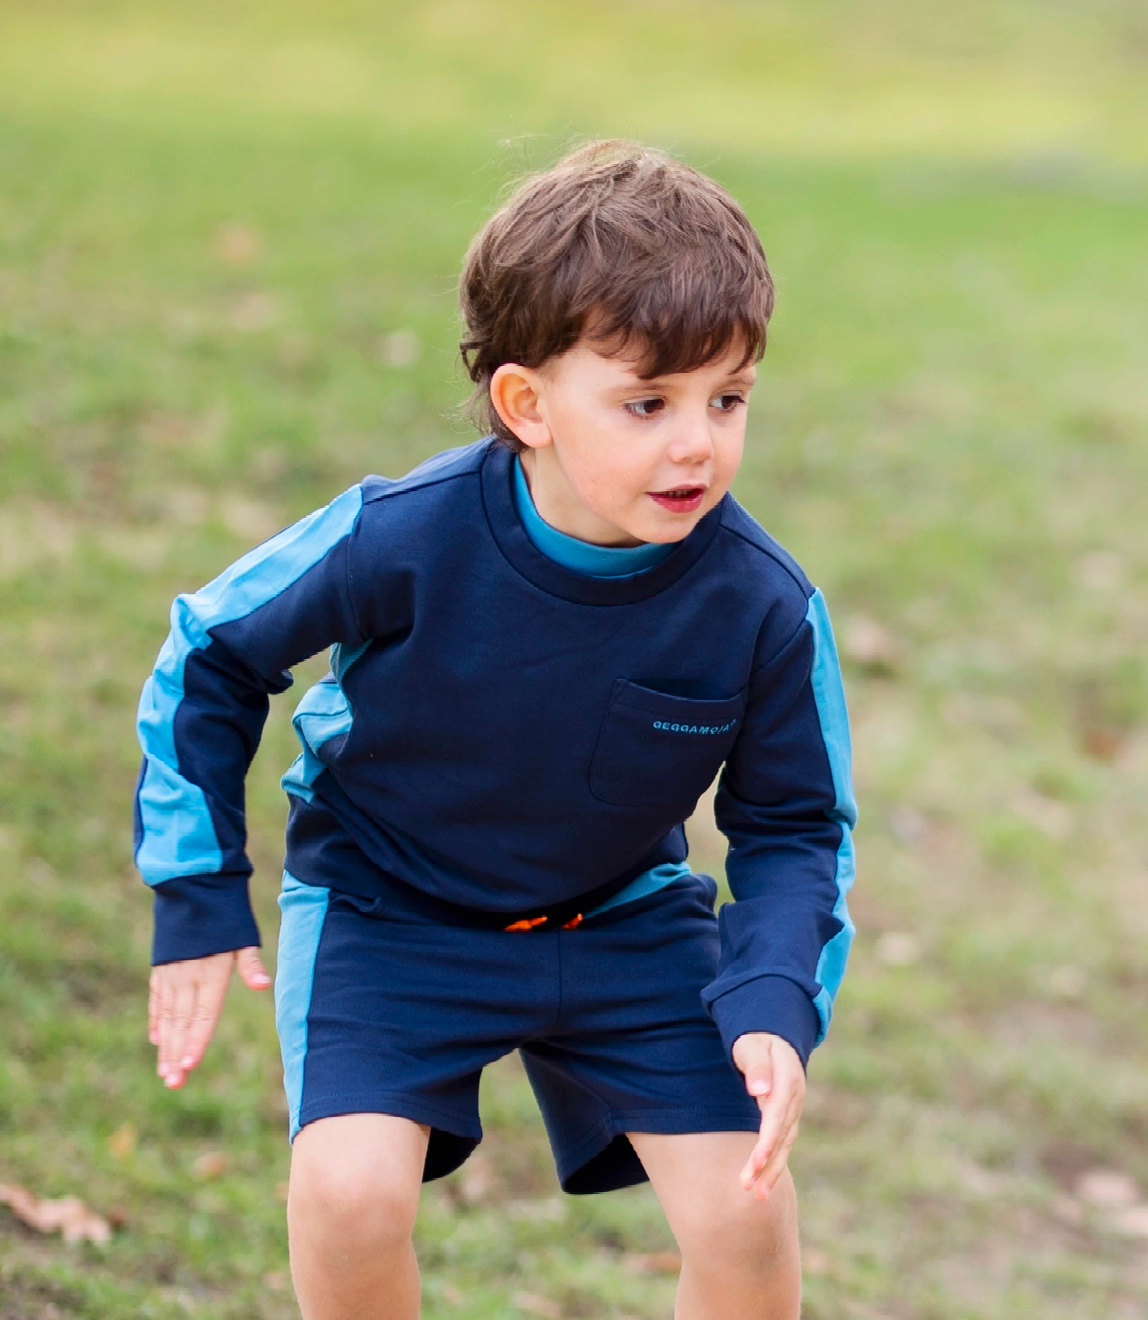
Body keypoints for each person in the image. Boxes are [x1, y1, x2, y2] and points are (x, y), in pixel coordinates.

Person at [134, 140, 856, 1320]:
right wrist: (197, 894)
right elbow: (211, 653)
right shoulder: (400, 536)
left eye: (728, 401)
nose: (698, 443)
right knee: (349, 1194)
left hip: (622, 919)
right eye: (648, 403)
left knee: (745, 1208)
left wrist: (774, 996)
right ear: (528, 405)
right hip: (390, 913)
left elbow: (793, 824)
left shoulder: (765, 605)